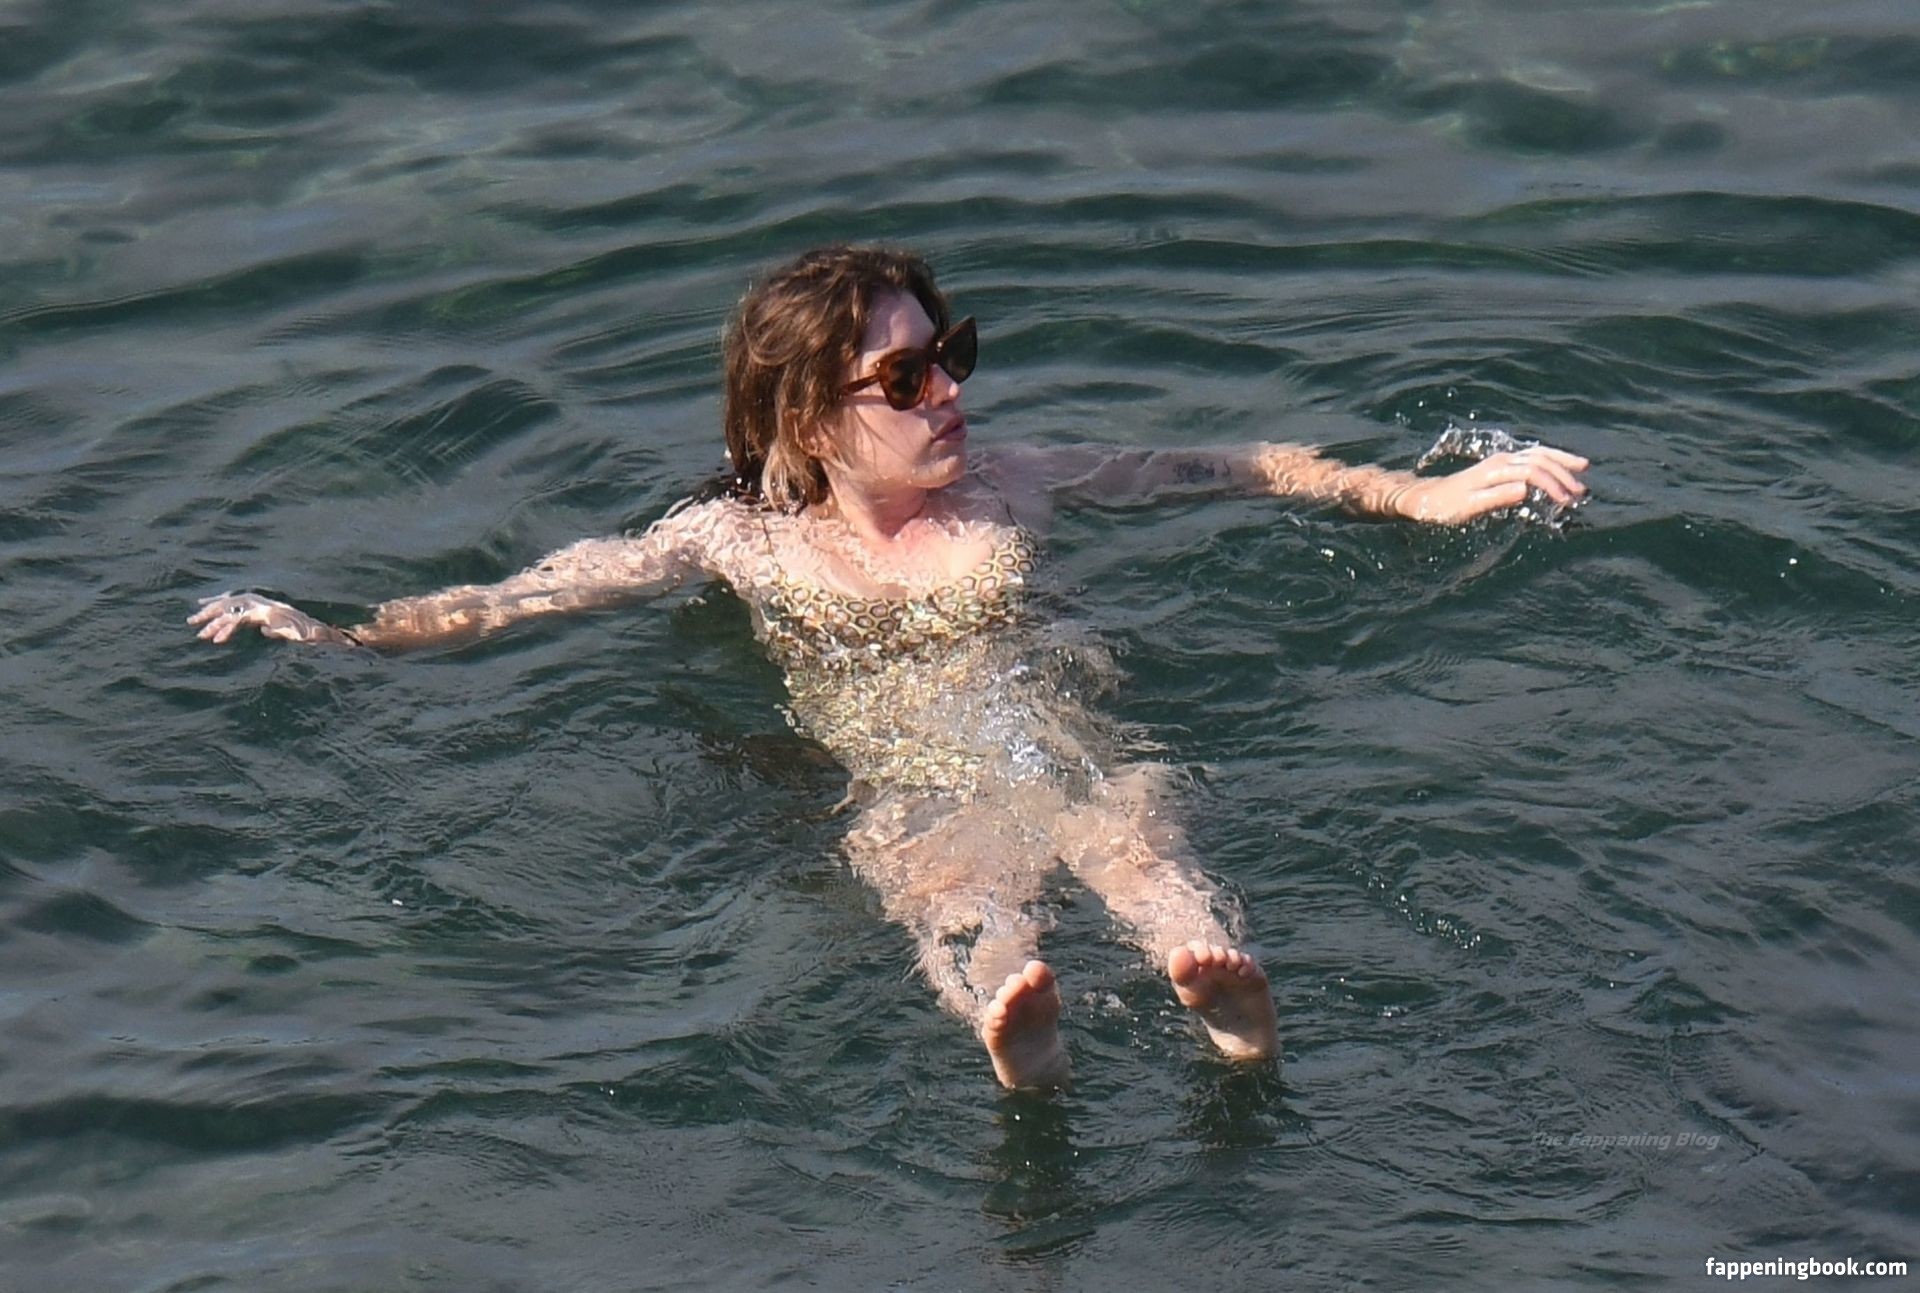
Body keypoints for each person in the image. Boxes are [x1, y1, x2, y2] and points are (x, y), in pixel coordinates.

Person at [191, 245, 1589, 1089]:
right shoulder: (733, 541)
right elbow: (522, 597)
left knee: (1134, 831)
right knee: (942, 873)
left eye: (951, 354)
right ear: (809, 416)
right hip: (913, 773)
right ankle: (1017, 1024)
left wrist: (1411, 492)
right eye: (910, 379)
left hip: (1063, 732)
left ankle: (1220, 999)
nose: (954, 393)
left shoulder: (1014, 485)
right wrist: (336, 630)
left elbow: (1230, 465)